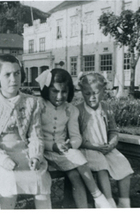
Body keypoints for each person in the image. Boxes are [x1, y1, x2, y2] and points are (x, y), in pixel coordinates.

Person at [0, 54, 52, 209]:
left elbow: (35, 135)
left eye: (17, 73)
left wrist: (36, 156)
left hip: (25, 153)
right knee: (8, 182)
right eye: (7, 75)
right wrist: (2, 159)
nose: (14, 79)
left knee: (40, 179)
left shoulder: (32, 102)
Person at [36, 68, 111, 208]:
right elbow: (34, 135)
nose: (59, 96)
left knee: (75, 176)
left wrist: (70, 144)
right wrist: (52, 146)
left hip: (62, 152)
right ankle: (97, 195)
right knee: (75, 161)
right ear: (47, 89)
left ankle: (88, 206)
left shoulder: (71, 110)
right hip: (41, 150)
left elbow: (76, 137)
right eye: (55, 91)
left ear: (69, 91)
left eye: (64, 91)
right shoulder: (39, 105)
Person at [77, 72, 134, 208]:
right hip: (88, 148)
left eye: (95, 93)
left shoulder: (106, 108)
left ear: (103, 92)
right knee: (102, 167)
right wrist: (93, 147)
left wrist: (112, 143)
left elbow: (113, 130)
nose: (91, 97)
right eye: (87, 93)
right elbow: (76, 136)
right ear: (82, 93)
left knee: (124, 165)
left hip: (105, 148)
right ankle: (108, 203)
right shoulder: (78, 110)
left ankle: (124, 202)